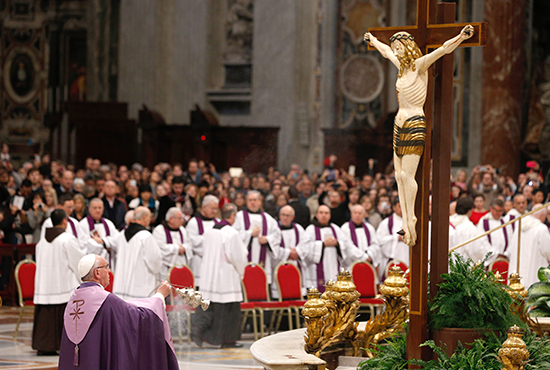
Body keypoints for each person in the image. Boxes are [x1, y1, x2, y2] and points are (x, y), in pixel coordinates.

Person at [365, 24, 474, 246]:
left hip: (415, 121)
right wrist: (374, 41)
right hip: (399, 121)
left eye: (399, 47)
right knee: (397, 176)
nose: (395, 51)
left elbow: (443, 50)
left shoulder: (419, 66)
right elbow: (385, 52)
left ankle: (411, 219)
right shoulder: (401, 68)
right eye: (394, 47)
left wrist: (461, 37)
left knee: (407, 175)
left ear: (408, 46)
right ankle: (405, 220)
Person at [58, 254, 179, 369]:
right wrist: (159, 296)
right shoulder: (106, 300)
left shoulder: (73, 300)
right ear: (97, 273)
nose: (109, 272)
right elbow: (139, 317)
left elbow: (125, 307)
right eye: (106, 267)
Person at [191, 203, 248, 348]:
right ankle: (227, 340)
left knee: (211, 307)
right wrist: (241, 272)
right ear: (233, 216)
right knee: (228, 308)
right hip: (226, 275)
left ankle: (203, 334)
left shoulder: (210, 232)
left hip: (210, 274)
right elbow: (238, 257)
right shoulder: (231, 233)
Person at [32, 209, 85, 355]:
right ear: (64, 221)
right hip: (63, 285)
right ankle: (64, 346)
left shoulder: (41, 242)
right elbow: (78, 262)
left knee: (46, 318)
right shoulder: (68, 239)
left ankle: (43, 346)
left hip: (45, 286)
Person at [303, 205, 371, 292]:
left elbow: (346, 245)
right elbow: (305, 249)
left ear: (330, 215)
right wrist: (322, 244)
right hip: (316, 272)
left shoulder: (335, 229)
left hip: (333, 268)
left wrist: (338, 244)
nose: (324, 215)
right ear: (316, 215)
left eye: (326, 213)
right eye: (321, 213)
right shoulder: (310, 229)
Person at [112, 207, 162, 300]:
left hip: (121, 288)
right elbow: (154, 261)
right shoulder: (145, 236)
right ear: (144, 217)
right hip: (139, 289)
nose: (150, 220)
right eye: (149, 217)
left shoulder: (122, 235)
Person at [233, 190, 281, 285]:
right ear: (246, 202)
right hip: (245, 259)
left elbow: (277, 235)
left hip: (264, 260)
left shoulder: (268, 218)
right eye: (250, 200)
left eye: (255, 200)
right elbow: (234, 235)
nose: (252, 203)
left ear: (260, 201)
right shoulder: (239, 217)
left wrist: (267, 239)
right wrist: (249, 234)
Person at [509, 204, 550, 288]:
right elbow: (547, 251)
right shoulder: (541, 229)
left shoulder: (519, 226)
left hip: (518, 272)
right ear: (542, 215)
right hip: (534, 271)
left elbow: (511, 248)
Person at [273, 205, 310, 297]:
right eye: (283, 215)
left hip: (296, 264)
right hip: (279, 265)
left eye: (288, 215)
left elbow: (305, 244)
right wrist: (288, 253)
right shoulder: (273, 229)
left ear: (293, 217)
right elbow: (273, 247)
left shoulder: (299, 229)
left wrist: (297, 252)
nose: (285, 218)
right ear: (279, 216)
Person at [186, 195, 220, 287]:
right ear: (204, 207)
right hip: (199, 263)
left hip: (215, 263)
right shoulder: (193, 222)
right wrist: (209, 239)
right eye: (213, 208)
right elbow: (192, 243)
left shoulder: (217, 222)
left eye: (216, 209)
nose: (215, 211)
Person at [152, 207, 193, 280]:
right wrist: (177, 248)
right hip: (165, 269)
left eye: (182, 218)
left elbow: (189, 244)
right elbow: (159, 249)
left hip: (181, 267)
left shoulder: (182, 230)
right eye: (180, 218)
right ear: (171, 219)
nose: (182, 220)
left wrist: (184, 248)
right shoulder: (159, 230)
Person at [78, 198, 118, 265]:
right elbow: (83, 244)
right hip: (90, 263)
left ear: (103, 209)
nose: (97, 210)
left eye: (100, 208)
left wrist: (103, 241)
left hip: (108, 261)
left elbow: (116, 240)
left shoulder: (109, 224)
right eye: (94, 208)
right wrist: (105, 245)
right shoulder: (83, 224)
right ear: (89, 209)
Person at [341, 205, 382, 271]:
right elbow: (348, 246)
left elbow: (375, 244)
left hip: (368, 262)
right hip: (351, 265)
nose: (357, 215)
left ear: (364, 215)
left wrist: (369, 255)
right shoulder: (345, 228)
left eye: (360, 213)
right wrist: (363, 257)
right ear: (351, 214)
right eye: (355, 213)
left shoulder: (369, 228)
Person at [376, 197, 408, 276]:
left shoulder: (411, 222)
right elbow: (380, 240)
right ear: (394, 207)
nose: (402, 209)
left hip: (408, 258)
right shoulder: (386, 223)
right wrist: (396, 238)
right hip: (392, 260)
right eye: (400, 206)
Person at [476, 198, 513, 266]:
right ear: (491, 208)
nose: (500, 213)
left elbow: (511, 239)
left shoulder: (505, 221)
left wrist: (506, 254)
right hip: (490, 261)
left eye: (501, 211)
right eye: (497, 211)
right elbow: (482, 242)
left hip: (505, 258)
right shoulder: (484, 221)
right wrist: (496, 255)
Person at [449, 197, 480, 261]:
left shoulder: (447, 223)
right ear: (469, 211)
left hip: (449, 263)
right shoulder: (470, 227)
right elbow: (475, 250)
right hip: (465, 264)